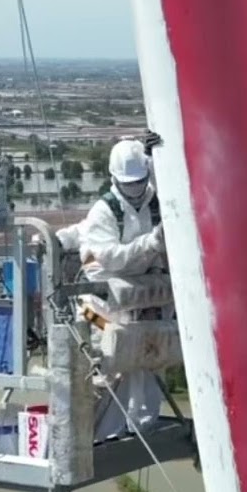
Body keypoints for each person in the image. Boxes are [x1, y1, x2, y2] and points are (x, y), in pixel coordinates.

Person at [78, 131, 168, 442]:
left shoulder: (154, 198)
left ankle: (140, 425)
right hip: (98, 309)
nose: (134, 189)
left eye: (139, 182)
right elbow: (113, 260)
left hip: (139, 302)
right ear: (114, 180)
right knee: (107, 364)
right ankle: (92, 435)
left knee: (149, 358)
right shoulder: (103, 213)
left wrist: (158, 153)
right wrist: (151, 242)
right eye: (128, 184)